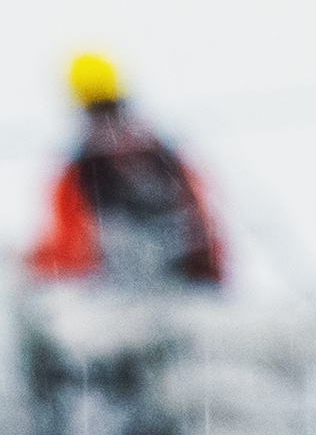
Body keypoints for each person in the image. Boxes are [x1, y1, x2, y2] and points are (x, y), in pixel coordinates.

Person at [29, 54, 228, 292]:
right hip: (133, 302)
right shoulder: (162, 158)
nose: (109, 130)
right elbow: (68, 251)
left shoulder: (162, 160)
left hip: (168, 299)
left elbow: (68, 252)